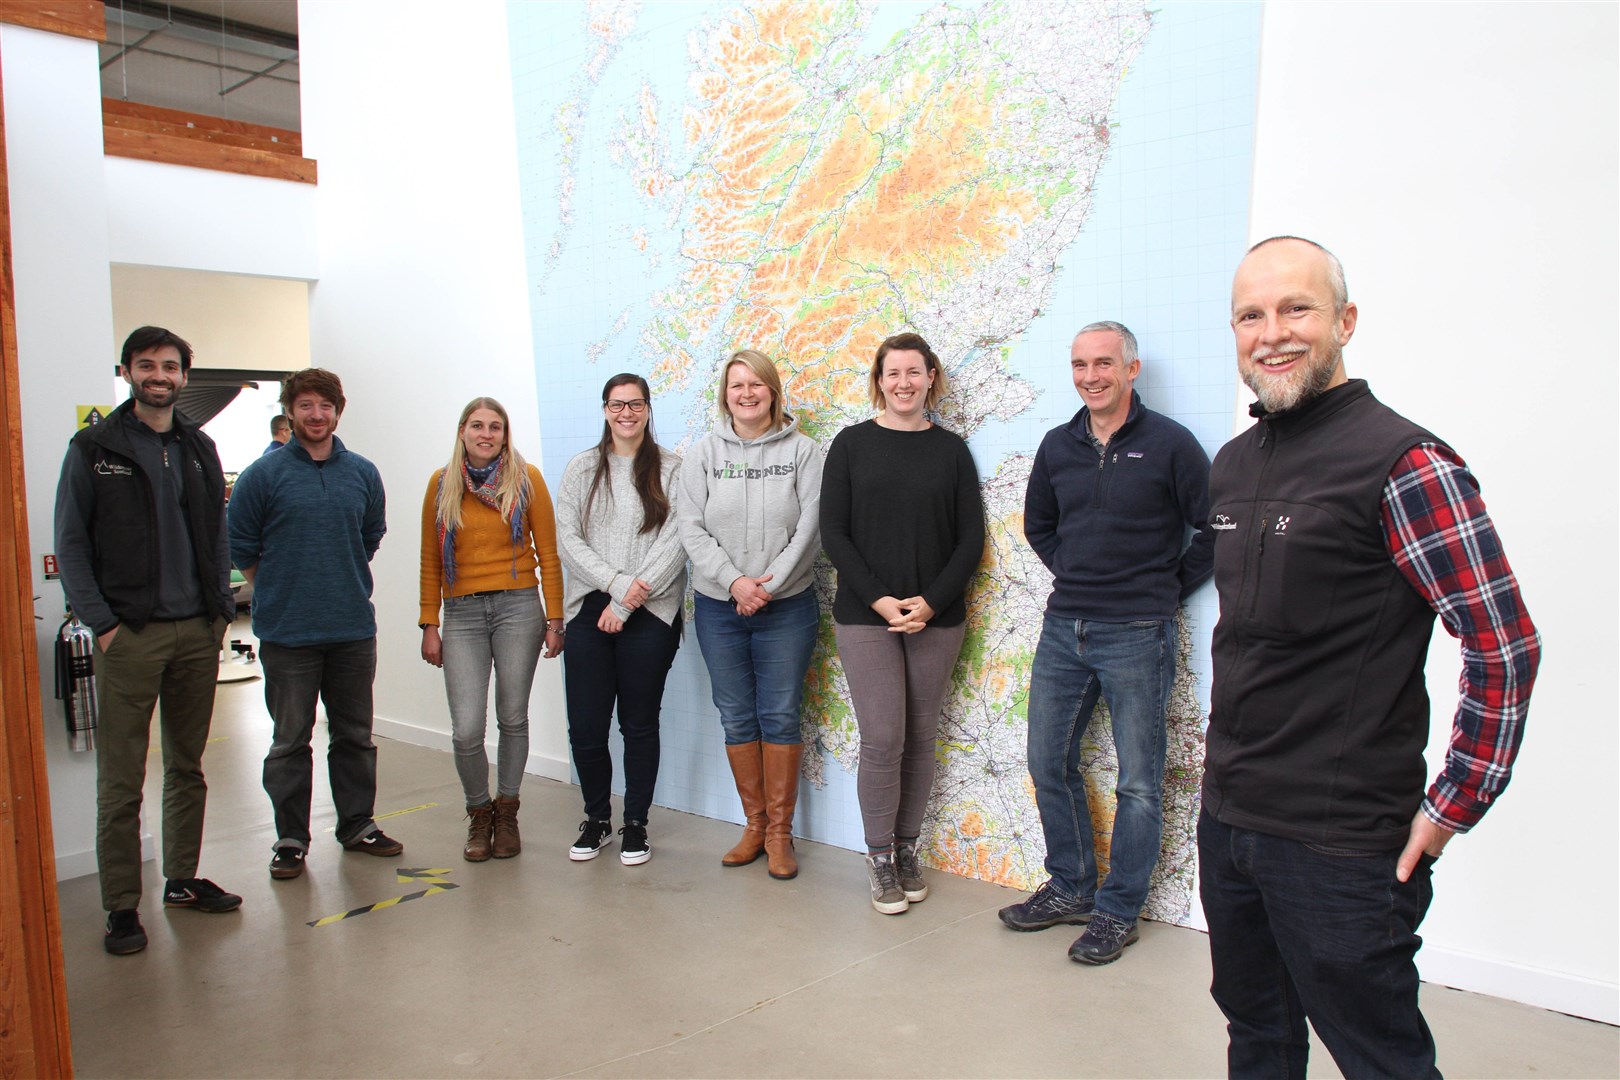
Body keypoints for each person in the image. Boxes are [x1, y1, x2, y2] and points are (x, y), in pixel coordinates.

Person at [1200, 236, 1541, 1077]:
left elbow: (1504, 644)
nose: (1272, 332)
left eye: (1296, 308)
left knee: (1380, 1060)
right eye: (1252, 314)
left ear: (1344, 321)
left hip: (1340, 844)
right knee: (1259, 1036)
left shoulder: (1406, 462)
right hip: (1232, 820)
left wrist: (1455, 804)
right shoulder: (1234, 465)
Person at [998, 321, 1214, 964]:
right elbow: (1039, 524)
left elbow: (1217, 526)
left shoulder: (1172, 444)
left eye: (1103, 364)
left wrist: (1165, 587)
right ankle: (1070, 886)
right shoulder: (1057, 444)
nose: (1090, 377)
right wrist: (1076, 569)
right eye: (1079, 365)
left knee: (1140, 783)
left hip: (1139, 633)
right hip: (1064, 627)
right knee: (1047, 763)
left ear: (1131, 370)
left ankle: (1118, 910)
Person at [54, 325, 241, 955]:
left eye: (169, 365)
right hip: (128, 636)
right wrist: (101, 625)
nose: (158, 375)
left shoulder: (199, 446)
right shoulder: (94, 447)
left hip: (196, 631)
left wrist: (217, 613)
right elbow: (73, 544)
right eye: (146, 365)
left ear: (185, 375)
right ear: (129, 373)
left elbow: (216, 536)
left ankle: (182, 880)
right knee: (122, 778)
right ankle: (120, 906)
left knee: (187, 766)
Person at [820, 332, 985, 914]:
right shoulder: (850, 445)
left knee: (919, 737)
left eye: (915, 373)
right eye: (893, 374)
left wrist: (931, 603)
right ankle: (880, 857)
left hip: (937, 618)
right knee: (884, 737)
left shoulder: (953, 451)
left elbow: (971, 540)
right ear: (879, 380)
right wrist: (884, 602)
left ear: (931, 377)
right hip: (866, 617)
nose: (904, 383)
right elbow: (834, 534)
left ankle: (908, 848)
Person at [228, 368, 400, 880]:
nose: (316, 415)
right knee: (289, 741)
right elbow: (242, 547)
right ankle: (290, 838)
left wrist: (334, 574)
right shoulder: (263, 475)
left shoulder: (363, 473)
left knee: (354, 736)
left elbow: (371, 534)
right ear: (290, 412)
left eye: (325, 406)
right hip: (288, 634)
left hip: (351, 628)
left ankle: (357, 825)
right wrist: (284, 587)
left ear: (337, 411)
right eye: (306, 406)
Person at [678, 350, 823, 879]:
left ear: (772, 392)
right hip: (719, 608)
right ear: (725, 394)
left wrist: (768, 586)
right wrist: (736, 582)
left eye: (756, 385)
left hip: (787, 608)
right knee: (736, 715)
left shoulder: (804, 453)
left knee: (780, 714)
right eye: (737, 385)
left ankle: (782, 834)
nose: (747, 394)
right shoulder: (703, 454)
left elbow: (811, 527)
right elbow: (690, 527)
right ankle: (755, 826)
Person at [419, 398, 565, 861]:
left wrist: (554, 617)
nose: (487, 434)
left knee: (512, 717)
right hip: (460, 613)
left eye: (496, 427)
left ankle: (507, 811)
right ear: (462, 430)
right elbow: (428, 560)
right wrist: (429, 622)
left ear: (505, 434)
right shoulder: (442, 485)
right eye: (478, 426)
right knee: (466, 729)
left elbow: (549, 553)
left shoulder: (527, 480)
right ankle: (478, 813)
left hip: (518, 608)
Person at [555, 374, 686, 866]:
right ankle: (597, 819)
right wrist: (613, 587)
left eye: (635, 404)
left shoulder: (673, 469)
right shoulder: (582, 468)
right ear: (604, 408)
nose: (626, 413)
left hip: (651, 610)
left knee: (638, 724)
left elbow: (678, 541)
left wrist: (628, 602)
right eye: (617, 404)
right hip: (591, 607)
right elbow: (567, 538)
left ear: (649, 409)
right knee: (586, 727)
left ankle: (635, 824)